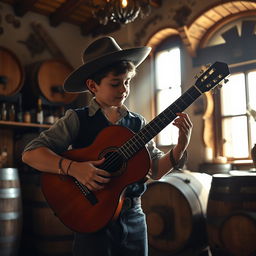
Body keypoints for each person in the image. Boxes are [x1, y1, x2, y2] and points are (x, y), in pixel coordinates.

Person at [22, 36, 193, 256]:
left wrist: (181, 144)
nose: (124, 89)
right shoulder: (77, 119)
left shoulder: (137, 123)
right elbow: (30, 154)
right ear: (92, 85)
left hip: (134, 217)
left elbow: (156, 170)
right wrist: (74, 168)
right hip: (92, 215)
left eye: (127, 82)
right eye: (115, 83)